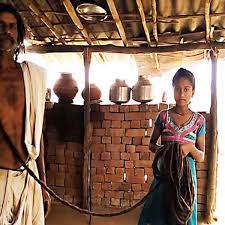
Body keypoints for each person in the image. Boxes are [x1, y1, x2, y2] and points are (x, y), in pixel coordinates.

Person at [0, 3, 51, 225]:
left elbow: (36, 132)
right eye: (0, 25)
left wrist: (44, 184)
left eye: (11, 26)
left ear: (19, 35)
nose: (6, 31)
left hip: (28, 176)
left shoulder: (32, 76)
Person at [137, 68, 206, 225]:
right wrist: (164, 150)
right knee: (157, 214)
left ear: (193, 93)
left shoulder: (199, 121)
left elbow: (201, 156)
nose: (181, 94)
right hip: (164, 173)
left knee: (183, 213)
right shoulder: (163, 116)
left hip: (186, 179)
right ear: (173, 90)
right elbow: (152, 144)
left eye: (186, 89)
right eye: (177, 89)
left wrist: (189, 148)